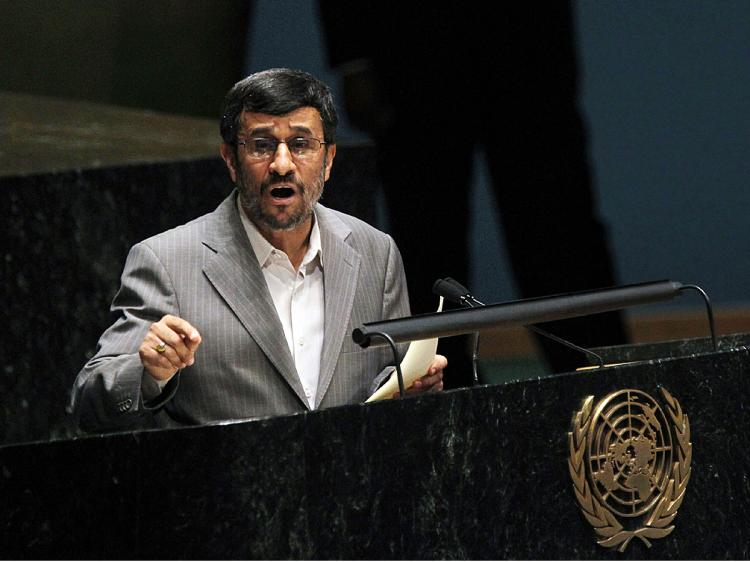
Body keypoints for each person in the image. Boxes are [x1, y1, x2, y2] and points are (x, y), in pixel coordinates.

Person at [71, 68, 445, 432]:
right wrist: (148, 374)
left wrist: (411, 388)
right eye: (262, 146)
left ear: (329, 160)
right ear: (231, 160)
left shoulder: (374, 252)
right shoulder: (167, 262)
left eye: (300, 145)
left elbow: (386, 377)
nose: (282, 165)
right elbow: (89, 400)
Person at [319, 2, 629, 385]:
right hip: (409, 37)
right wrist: (354, 57)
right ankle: (438, 409)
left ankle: (612, 397)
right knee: (425, 239)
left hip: (523, 32)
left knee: (558, 228)